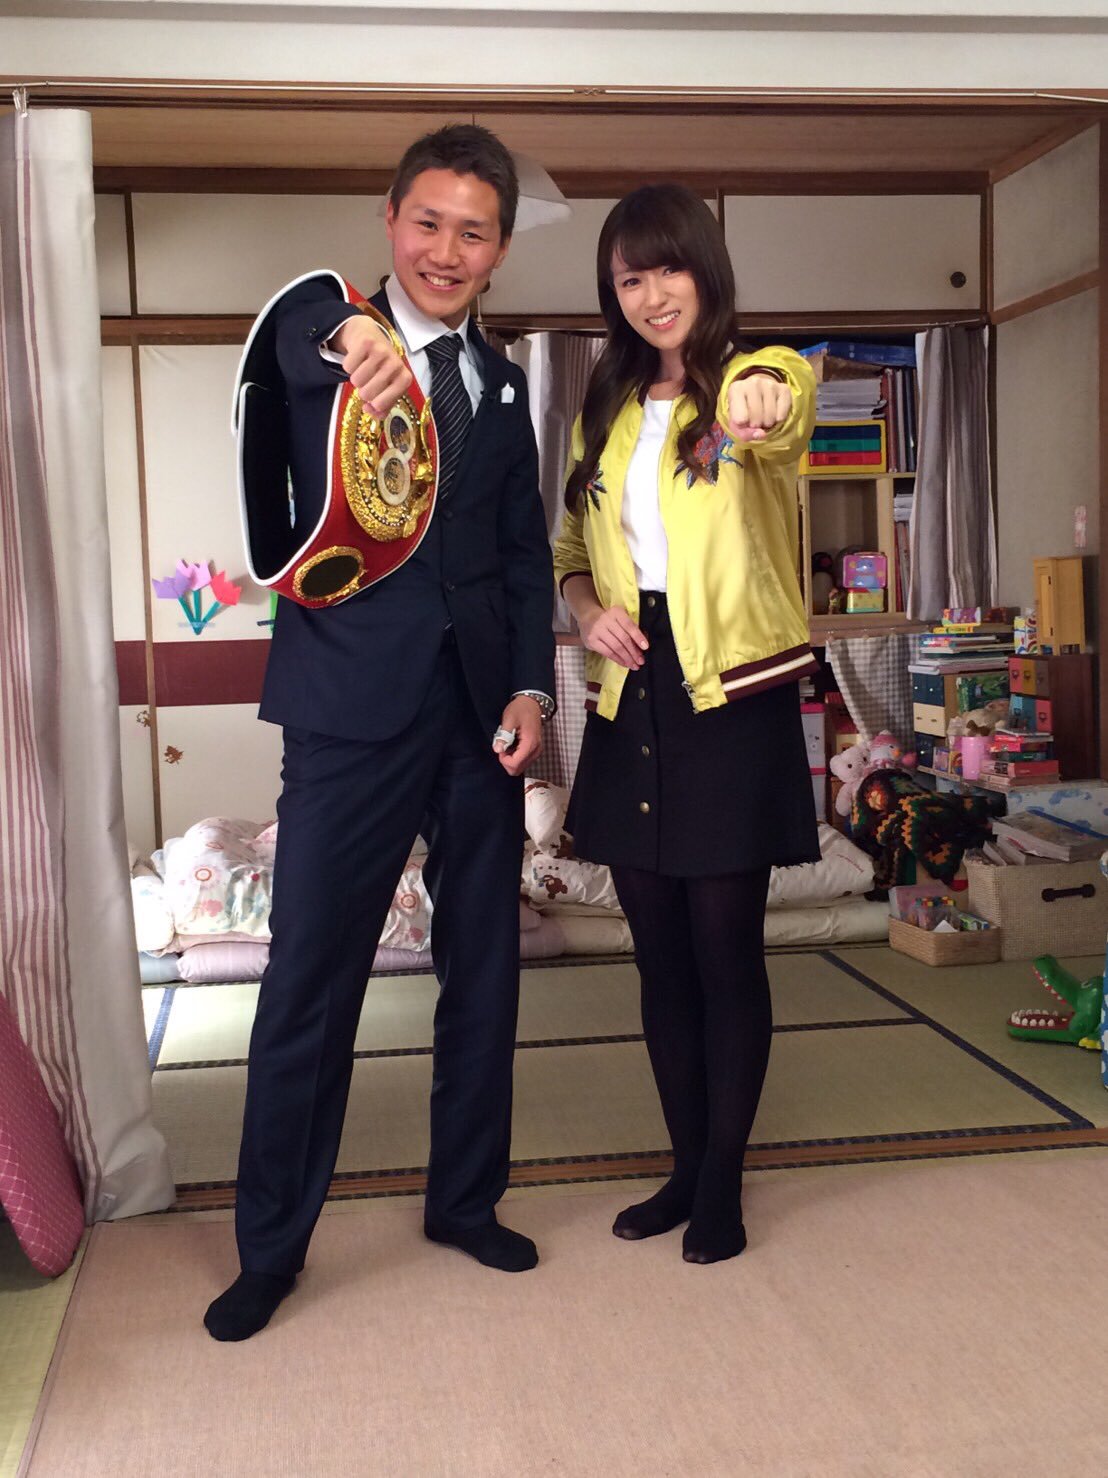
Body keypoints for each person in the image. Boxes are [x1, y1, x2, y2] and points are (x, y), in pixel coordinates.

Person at [205, 125, 556, 1341]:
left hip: (478, 720)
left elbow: (522, 555)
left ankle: (464, 1200)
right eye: (427, 223)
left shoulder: (502, 385)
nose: (446, 250)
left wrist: (531, 690)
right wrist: (344, 331)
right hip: (348, 714)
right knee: (311, 976)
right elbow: (288, 325)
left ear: (499, 249)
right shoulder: (329, 337)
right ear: (389, 220)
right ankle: (269, 1247)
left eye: (474, 232)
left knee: (485, 969)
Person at [554, 184, 820, 1264]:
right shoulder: (605, 404)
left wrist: (757, 394)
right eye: (629, 277)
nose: (651, 293)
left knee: (725, 953)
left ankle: (722, 1181)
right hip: (631, 692)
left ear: (706, 269)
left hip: (732, 697)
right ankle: (682, 1164)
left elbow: (785, 396)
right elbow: (571, 553)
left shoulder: (754, 382)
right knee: (657, 958)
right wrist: (587, 613)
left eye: (668, 267)